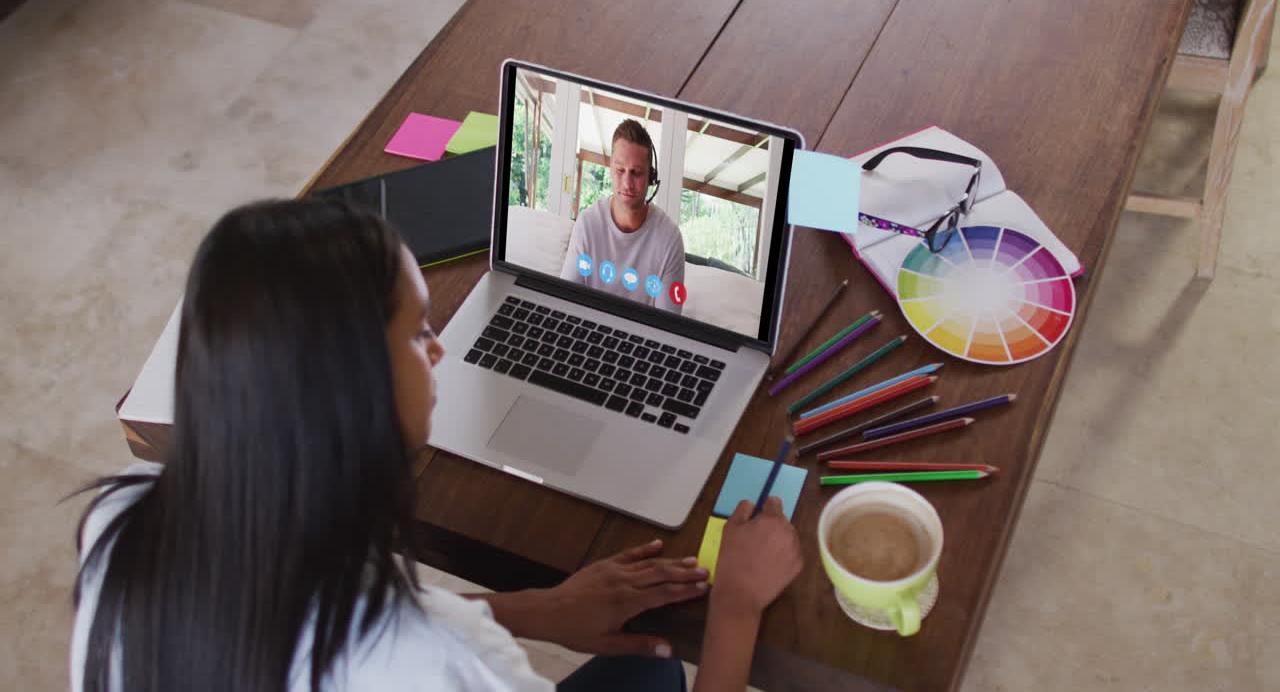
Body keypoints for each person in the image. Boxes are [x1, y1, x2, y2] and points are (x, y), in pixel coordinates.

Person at [71, 198, 802, 692]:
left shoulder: (122, 525)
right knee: (661, 669)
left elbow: (323, 616)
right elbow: (411, 647)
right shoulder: (443, 668)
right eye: (420, 332)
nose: (441, 351)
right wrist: (735, 605)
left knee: (645, 671)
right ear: (359, 394)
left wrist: (534, 610)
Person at [559, 120, 686, 313]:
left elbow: (668, 326)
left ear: (651, 178)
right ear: (610, 168)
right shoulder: (587, 223)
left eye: (636, 173)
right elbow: (564, 302)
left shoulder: (670, 240)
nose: (627, 183)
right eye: (620, 170)